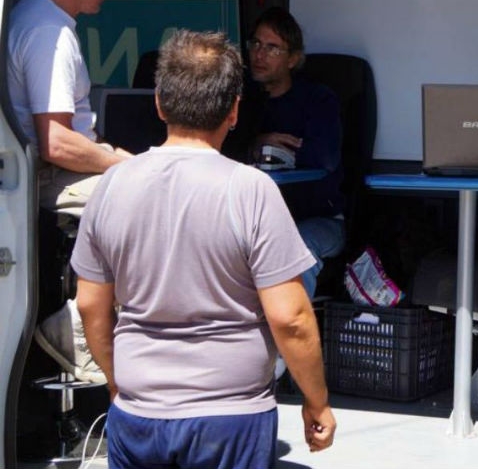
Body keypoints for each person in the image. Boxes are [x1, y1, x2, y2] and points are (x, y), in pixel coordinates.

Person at [71, 30, 336, 468]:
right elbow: (290, 318)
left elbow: (89, 305)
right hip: (231, 416)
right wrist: (317, 401)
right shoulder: (252, 190)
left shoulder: (112, 185)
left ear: (159, 103)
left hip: (138, 413)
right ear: (234, 111)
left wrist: (119, 382)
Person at [6, 0, 131, 383]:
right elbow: (56, 141)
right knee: (151, 198)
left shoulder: (33, 14)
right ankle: (74, 324)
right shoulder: (50, 34)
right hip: (51, 179)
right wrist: (118, 162)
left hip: (55, 174)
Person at [248, 6, 345, 300]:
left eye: (272, 48)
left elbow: (325, 158)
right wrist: (258, 143)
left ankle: (290, 328)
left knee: (296, 247)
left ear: (293, 59)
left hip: (319, 219)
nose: (260, 54)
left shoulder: (318, 100)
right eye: (256, 44)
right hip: (255, 220)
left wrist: (279, 156)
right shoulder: (242, 100)